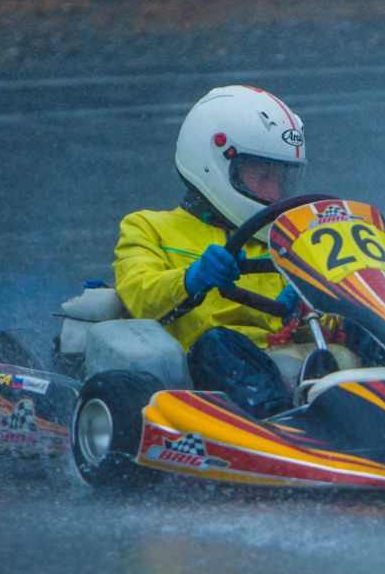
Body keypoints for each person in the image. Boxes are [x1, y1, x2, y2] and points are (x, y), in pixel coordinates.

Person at [113, 84, 306, 418]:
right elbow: (139, 295)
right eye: (263, 176)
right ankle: (279, 425)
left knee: (364, 333)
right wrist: (193, 277)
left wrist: (316, 300)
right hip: (208, 369)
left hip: (287, 358)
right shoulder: (148, 227)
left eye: (281, 180)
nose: (275, 193)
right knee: (218, 342)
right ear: (215, 163)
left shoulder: (288, 239)